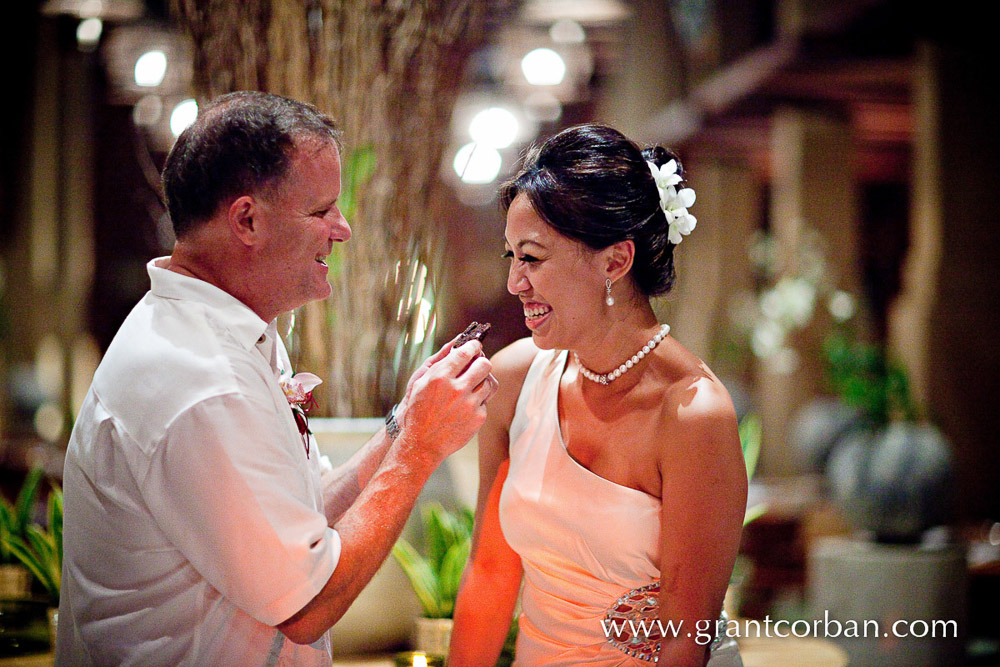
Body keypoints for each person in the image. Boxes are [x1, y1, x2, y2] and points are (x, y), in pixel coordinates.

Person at [57, 91, 497, 666]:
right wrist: (419, 449)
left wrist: (403, 423)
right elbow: (307, 604)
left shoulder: (230, 333)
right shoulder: (202, 381)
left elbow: (301, 514)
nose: (341, 229)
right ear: (247, 219)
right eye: (320, 211)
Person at [449, 124, 747, 667]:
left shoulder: (693, 413)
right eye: (510, 257)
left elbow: (685, 636)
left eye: (533, 258)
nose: (516, 282)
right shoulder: (514, 380)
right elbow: (491, 572)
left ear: (615, 261)